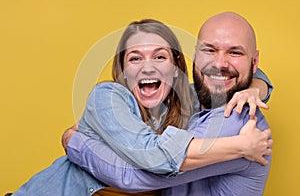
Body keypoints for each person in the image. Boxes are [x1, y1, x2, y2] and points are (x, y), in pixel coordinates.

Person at [10, 17, 272, 196]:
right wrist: (242, 141)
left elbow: (132, 177)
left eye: (160, 56)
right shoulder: (111, 97)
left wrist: (74, 142)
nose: (220, 62)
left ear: (175, 67)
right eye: (135, 58)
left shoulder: (232, 119)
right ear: (122, 69)